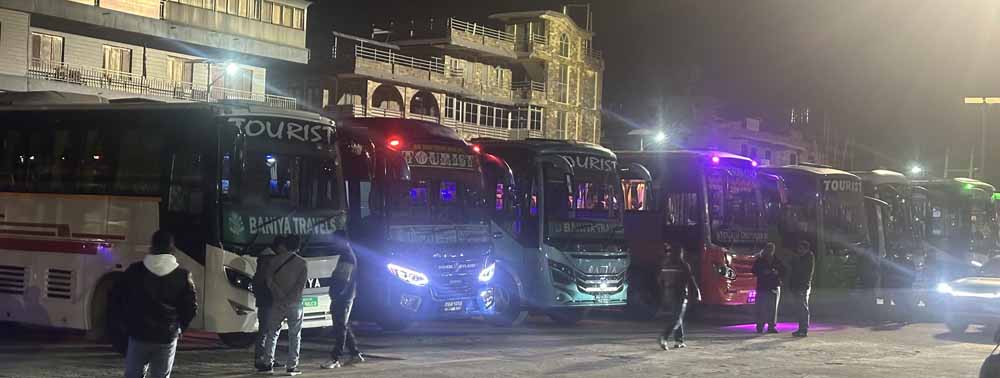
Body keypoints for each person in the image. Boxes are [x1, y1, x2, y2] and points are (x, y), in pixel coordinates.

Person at [112, 230, 198, 378]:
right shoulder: (183, 276)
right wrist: (179, 327)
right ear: (172, 250)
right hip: (166, 336)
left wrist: (126, 324)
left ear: (152, 247)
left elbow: (118, 298)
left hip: (139, 333)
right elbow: (190, 308)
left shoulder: (135, 271)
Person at [256, 235, 308, 376]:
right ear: (298, 246)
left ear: (285, 244)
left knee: (272, 333)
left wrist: (279, 294)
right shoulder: (302, 263)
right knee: (294, 335)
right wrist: (290, 297)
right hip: (295, 304)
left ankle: (267, 363)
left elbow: (269, 280)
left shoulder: (274, 260)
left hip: (277, 302)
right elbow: (300, 285)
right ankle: (291, 367)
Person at [321, 247, 364, 369]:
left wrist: (335, 295)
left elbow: (343, 279)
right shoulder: (347, 255)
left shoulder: (347, 256)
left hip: (343, 298)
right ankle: (355, 354)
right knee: (343, 325)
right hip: (345, 297)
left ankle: (335, 358)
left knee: (340, 328)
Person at [657, 242, 701, 350]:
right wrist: (697, 292)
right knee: (677, 317)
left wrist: (664, 291)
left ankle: (679, 340)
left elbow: (660, 280)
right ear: (679, 253)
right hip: (679, 294)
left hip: (668, 294)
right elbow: (691, 280)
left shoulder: (665, 264)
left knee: (678, 316)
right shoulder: (683, 265)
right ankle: (664, 336)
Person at [252, 236, 284, 372]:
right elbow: (268, 282)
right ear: (279, 246)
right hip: (268, 300)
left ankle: (267, 358)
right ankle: (261, 359)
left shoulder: (265, 259)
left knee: (267, 330)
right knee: (266, 330)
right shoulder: (269, 260)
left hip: (265, 299)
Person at [753, 242, 786, 334]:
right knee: (761, 307)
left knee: (773, 308)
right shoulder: (760, 260)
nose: (770, 251)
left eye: (771, 250)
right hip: (763, 286)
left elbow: (784, 271)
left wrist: (777, 273)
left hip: (773, 286)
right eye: (768, 249)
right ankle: (760, 326)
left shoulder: (777, 261)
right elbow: (754, 271)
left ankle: (771, 326)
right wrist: (763, 272)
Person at [788, 240, 816, 337]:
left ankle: (803, 329)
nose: (798, 250)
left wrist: (804, 285)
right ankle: (801, 328)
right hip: (798, 285)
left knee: (802, 307)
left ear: (805, 249)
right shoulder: (801, 257)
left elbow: (805, 273)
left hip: (802, 286)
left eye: (800, 248)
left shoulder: (808, 257)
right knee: (800, 307)